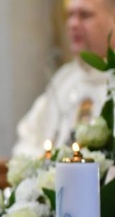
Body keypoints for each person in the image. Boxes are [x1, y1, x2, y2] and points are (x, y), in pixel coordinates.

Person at [13, 0, 115, 157]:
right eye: (70, 15)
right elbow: (27, 140)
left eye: (85, 15)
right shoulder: (64, 79)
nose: (73, 24)